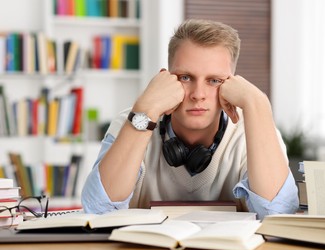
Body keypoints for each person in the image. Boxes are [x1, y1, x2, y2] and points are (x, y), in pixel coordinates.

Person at [81, 19, 299, 219]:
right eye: (185, 77)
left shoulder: (255, 128)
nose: (198, 94)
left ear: (233, 85)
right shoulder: (133, 121)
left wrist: (257, 103)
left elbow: (277, 214)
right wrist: (145, 110)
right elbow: (98, 208)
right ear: (165, 79)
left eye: (214, 80)